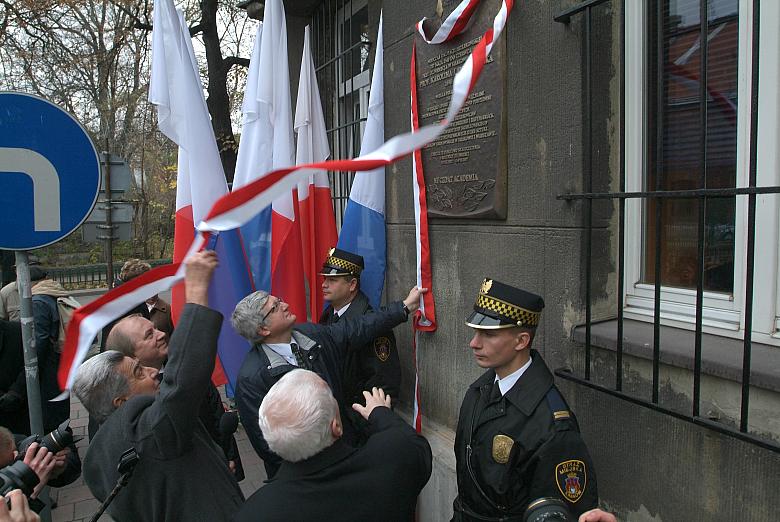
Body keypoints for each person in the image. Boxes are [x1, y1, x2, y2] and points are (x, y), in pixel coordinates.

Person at [73, 251, 244, 522]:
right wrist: (198, 290)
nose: (153, 373)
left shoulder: (102, 454)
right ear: (120, 400)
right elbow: (183, 384)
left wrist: (214, 459)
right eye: (138, 371)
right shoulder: (148, 432)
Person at [231, 284, 424, 478]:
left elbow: (357, 328)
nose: (285, 305)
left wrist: (404, 307)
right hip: (307, 480)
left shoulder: (313, 335)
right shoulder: (251, 380)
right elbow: (268, 446)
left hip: (345, 455)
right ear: (263, 329)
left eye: (279, 300)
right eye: (275, 307)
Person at [452, 278, 599, 520]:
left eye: (488, 335)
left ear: (521, 341)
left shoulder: (553, 426)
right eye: (476, 331)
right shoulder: (479, 391)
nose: (474, 343)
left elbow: (561, 513)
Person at [233, 370, 432, 522]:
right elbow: (415, 446)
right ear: (336, 426)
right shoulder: (392, 459)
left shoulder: (255, 512)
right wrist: (380, 412)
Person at [106, 311, 244, 480]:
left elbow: (217, 415)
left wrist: (229, 458)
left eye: (155, 328)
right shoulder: (128, 400)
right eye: (150, 335)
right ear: (132, 356)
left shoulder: (188, 369)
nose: (162, 334)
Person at [318, 248, 400, 437]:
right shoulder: (330, 314)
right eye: (324, 279)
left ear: (352, 284)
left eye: (332, 280)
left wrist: (359, 424)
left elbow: (384, 384)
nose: (324, 285)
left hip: (357, 424)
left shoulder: (373, 326)